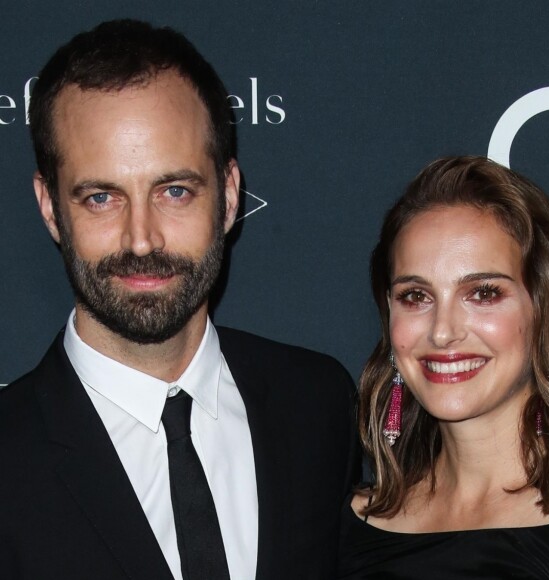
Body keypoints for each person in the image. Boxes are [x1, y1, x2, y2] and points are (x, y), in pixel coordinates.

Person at [0, 20, 359, 580]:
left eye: (174, 191)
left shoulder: (317, 405)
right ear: (50, 208)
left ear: (230, 194)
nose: (141, 238)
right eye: (101, 197)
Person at [339, 156, 549, 579]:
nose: (443, 332)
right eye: (416, 296)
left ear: (543, 308)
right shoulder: (351, 524)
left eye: (483, 293)